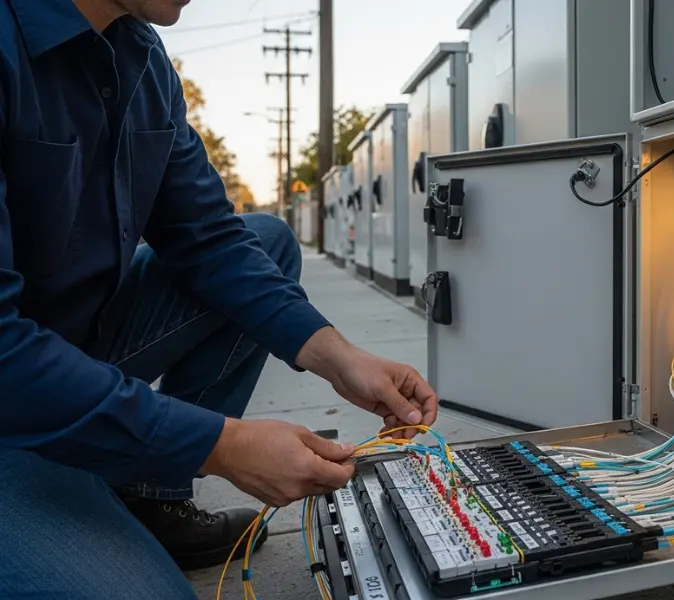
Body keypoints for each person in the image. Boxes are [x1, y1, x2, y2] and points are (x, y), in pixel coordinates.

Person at [0, 0, 438, 597]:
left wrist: (341, 357)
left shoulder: (142, 58)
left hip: (68, 349)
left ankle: (148, 495)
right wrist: (220, 445)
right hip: (10, 381)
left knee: (266, 242)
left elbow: (211, 240)